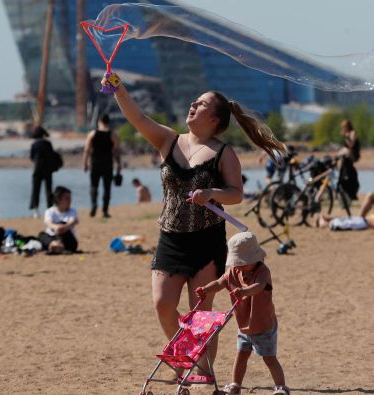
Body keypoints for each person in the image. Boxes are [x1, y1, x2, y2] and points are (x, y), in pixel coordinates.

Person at [104, 70, 286, 383]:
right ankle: (186, 356)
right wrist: (118, 87)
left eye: (200, 104)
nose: (192, 105)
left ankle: (202, 370)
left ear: (214, 119)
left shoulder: (223, 153)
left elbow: (236, 194)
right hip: (170, 238)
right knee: (163, 304)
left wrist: (212, 193)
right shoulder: (168, 139)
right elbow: (138, 118)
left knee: (201, 313)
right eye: (194, 102)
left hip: (206, 241)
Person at [195, 232, 289, 395]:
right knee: (241, 356)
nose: (239, 266)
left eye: (243, 263)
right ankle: (235, 385)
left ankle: (281, 386)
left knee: (269, 358)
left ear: (255, 260)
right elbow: (219, 282)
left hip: (263, 325)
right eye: (237, 263)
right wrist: (206, 289)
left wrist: (244, 291)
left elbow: (259, 287)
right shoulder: (233, 271)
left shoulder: (262, 272)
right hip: (244, 325)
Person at [82, 114, 122, 218]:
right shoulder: (112, 134)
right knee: (107, 187)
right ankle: (105, 211)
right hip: (107, 162)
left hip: (95, 162)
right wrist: (118, 164)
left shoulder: (92, 133)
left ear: (99, 121)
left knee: (94, 185)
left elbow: (86, 150)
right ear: (108, 122)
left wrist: (85, 163)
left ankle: (94, 205)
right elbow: (116, 151)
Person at [38, 186, 79, 253]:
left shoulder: (72, 211)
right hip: (53, 237)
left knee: (62, 223)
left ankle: (57, 246)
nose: (70, 201)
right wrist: (56, 227)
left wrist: (64, 228)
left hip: (68, 241)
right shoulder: (50, 211)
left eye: (70, 198)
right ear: (58, 199)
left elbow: (72, 221)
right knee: (41, 235)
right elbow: (49, 223)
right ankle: (55, 245)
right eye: (67, 198)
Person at [29, 126, 55, 218]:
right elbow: (52, 155)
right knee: (49, 190)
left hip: (37, 169)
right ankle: (49, 209)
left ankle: (36, 211)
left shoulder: (34, 144)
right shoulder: (48, 143)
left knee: (36, 190)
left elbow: (31, 157)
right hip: (48, 169)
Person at [336, 119, 360, 200]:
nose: (343, 128)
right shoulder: (347, 134)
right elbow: (345, 147)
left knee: (347, 173)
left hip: (352, 155)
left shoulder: (352, 133)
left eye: (344, 127)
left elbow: (351, 145)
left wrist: (347, 137)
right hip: (347, 156)